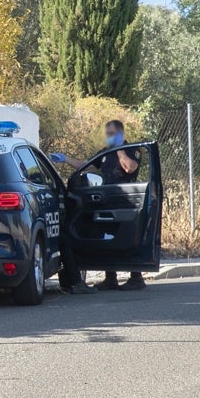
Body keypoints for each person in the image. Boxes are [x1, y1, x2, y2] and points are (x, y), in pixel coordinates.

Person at [50, 119, 146, 293]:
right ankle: (110, 278)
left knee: (126, 237)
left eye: (112, 134)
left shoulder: (132, 150)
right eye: (107, 133)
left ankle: (136, 277)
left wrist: (119, 149)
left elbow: (129, 168)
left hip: (125, 200)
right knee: (107, 236)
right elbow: (87, 165)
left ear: (120, 134)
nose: (108, 136)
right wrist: (65, 159)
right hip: (108, 199)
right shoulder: (106, 152)